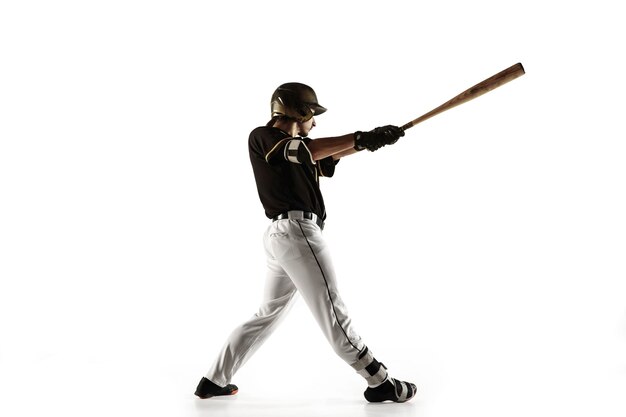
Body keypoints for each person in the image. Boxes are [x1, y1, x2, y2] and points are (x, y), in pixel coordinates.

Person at [195, 82, 416, 403]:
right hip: (297, 233)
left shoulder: (300, 148)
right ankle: (379, 380)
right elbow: (309, 151)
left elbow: (327, 154)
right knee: (333, 313)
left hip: (284, 237)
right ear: (301, 111)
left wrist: (370, 141)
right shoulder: (265, 136)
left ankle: (215, 379)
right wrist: (360, 137)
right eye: (313, 114)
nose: (315, 121)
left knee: (266, 314)